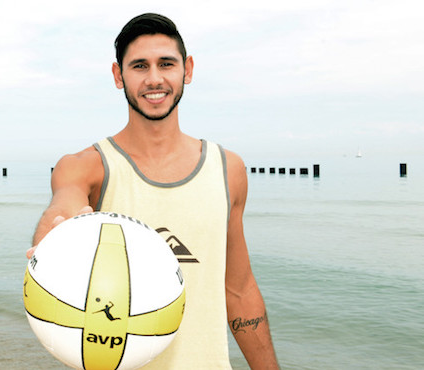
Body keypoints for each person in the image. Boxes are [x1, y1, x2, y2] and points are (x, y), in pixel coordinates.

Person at [28, 13, 278, 369]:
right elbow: (63, 207)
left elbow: (239, 291)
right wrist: (55, 234)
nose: (155, 79)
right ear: (119, 76)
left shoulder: (228, 169)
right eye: (140, 66)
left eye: (166, 64)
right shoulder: (87, 166)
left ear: (187, 70)